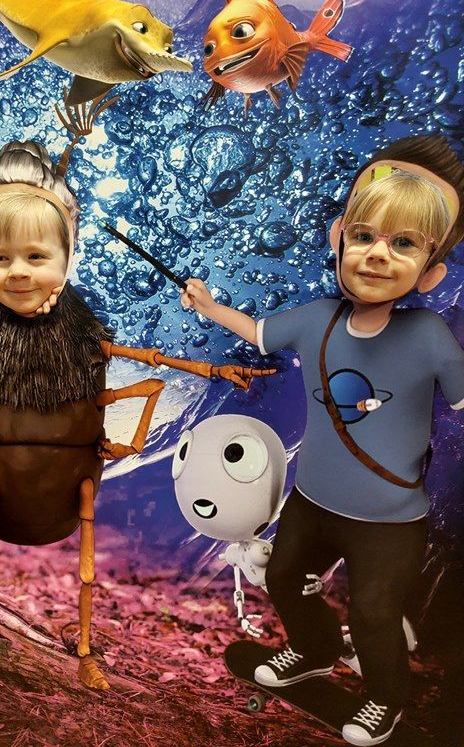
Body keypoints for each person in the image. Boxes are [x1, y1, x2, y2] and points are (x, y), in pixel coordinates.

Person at [180, 135, 464, 746]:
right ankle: (313, 650)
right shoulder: (317, 318)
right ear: (339, 239)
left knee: (374, 613)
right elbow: (257, 332)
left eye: (404, 244)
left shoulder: (428, 336)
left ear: (431, 271)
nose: (378, 255)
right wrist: (208, 306)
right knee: (284, 579)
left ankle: (385, 698)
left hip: (389, 519)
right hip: (312, 501)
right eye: (364, 236)